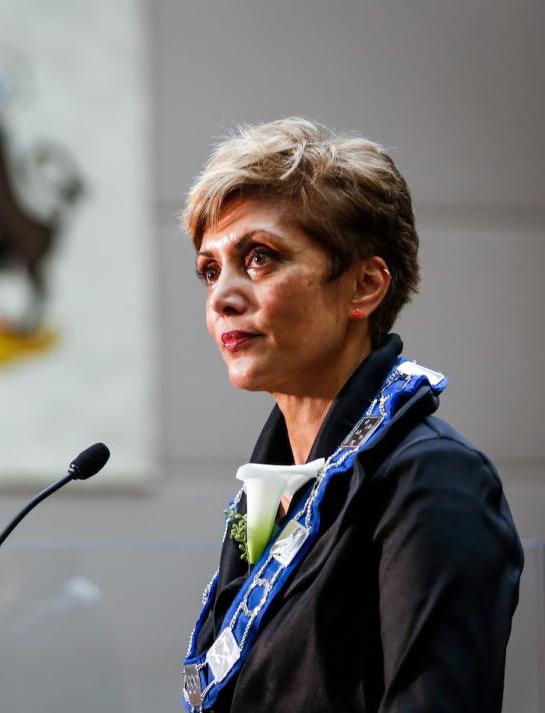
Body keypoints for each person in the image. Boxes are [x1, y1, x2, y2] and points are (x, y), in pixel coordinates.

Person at [179, 118, 523, 713]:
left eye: (259, 258)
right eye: (210, 269)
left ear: (364, 286)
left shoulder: (432, 481)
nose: (222, 296)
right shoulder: (267, 490)